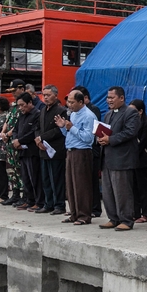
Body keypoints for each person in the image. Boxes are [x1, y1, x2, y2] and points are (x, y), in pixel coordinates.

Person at [95, 87, 139, 231]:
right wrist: (101, 139)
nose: (109, 100)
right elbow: (105, 132)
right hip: (107, 158)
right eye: (108, 97)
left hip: (122, 159)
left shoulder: (131, 112)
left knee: (122, 191)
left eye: (112, 97)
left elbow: (130, 132)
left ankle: (126, 219)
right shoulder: (108, 114)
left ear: (121, 98)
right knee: (108, 192)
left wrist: (110, 139)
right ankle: (113, 218)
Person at [56, 90, 96, 225]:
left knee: (81, 185)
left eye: (72, 102)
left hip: (82, 152)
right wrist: (63, 127)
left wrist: (71, 128)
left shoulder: (89, 116)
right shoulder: (72, 114)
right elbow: (69, 133)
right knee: (71, 184)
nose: (69, 105)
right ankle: (74, 213)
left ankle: (84, 215)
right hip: (71, 150)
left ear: (81, 102)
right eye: (68, 102)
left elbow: (89, 138)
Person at [35, 85, 67, 215]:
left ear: (55, 95)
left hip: (55, 150)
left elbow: (59, 130)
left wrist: (42, 137)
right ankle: (48, 203)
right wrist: (37, 138)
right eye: (44, 95)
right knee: (46, 178)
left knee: (56, 179)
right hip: (43, 149)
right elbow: (37, 127)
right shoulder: (42, 110)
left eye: (48, 95)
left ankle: (59, 205)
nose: (46, 97)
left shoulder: (61, 111)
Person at [75, 85, 103, 218]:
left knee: (92, 180)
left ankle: (95, 208)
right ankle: (81, 207)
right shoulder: (75, 112)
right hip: (78, 147)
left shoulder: (92, 111)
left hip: (91, 149)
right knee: (81, 181)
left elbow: (93, 131)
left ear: (84, 98)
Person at [13, 93, 43, 211]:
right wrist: (16, 140)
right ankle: (28, 200)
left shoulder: (37, 115)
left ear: (30, 103)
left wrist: (20, 141)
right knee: (25, 178)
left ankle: (38, 201)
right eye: (19, 106)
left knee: (34, 178)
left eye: (23, 105)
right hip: (22, 151)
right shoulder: (21, 116)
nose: (21, 108)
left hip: (32, 151)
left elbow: (33, 133)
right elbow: (16, 130)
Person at [129, 99, 147, 224]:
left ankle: (146, 214)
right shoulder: (131, 123)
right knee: (133, 188)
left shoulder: (146, 124)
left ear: (140, 111)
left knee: (143, 188)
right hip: (131, 159)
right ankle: (135, 212)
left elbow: (142, 143)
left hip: (141, 159)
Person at [3, 79, 26, 206]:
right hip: (9, 142)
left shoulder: (23, 106)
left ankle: (23, 195)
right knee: (11, 169)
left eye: (15, 90)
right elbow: (8, 121)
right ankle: (15, 194)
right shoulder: (13, 106)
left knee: (19, 169)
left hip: (17, 141)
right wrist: (3, 132)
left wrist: (7, 134)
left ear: (22, 89)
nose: (13, 94)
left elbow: (18, 125)